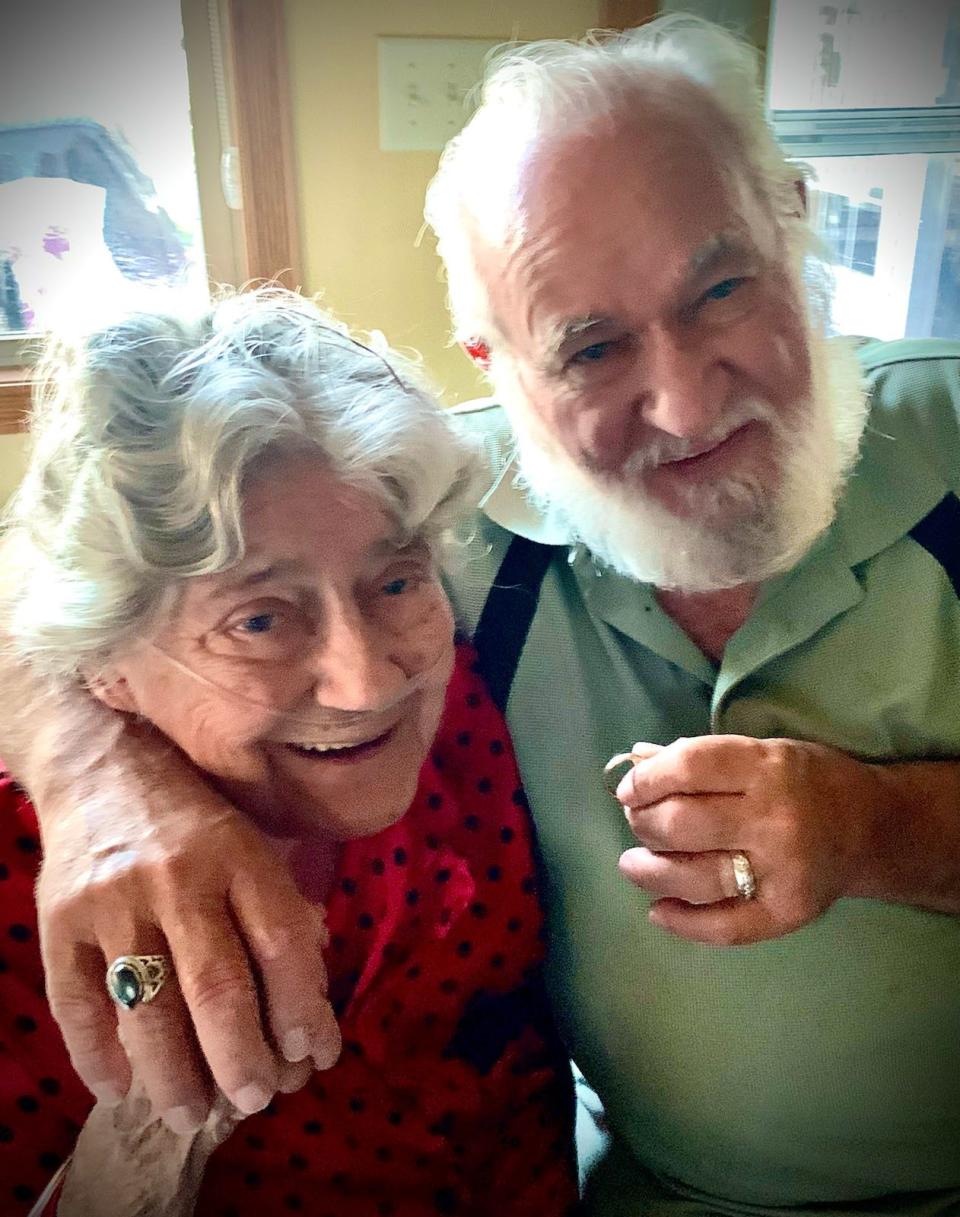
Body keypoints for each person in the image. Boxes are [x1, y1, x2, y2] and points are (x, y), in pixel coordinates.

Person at [2, 12, 959, 1216]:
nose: (681, 399)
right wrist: (98, 777)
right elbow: (70, 576)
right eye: (592, 345)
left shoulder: (953, 432)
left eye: (721, 288)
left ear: (798, 224)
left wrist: (881, 826)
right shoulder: (440, 517)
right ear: (494, 367)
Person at [0, 288, 578, 1214]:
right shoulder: (24, 909)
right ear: (105, 663)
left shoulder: (470, 710)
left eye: (394, 580)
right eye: (261, 619)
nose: (367, 682)